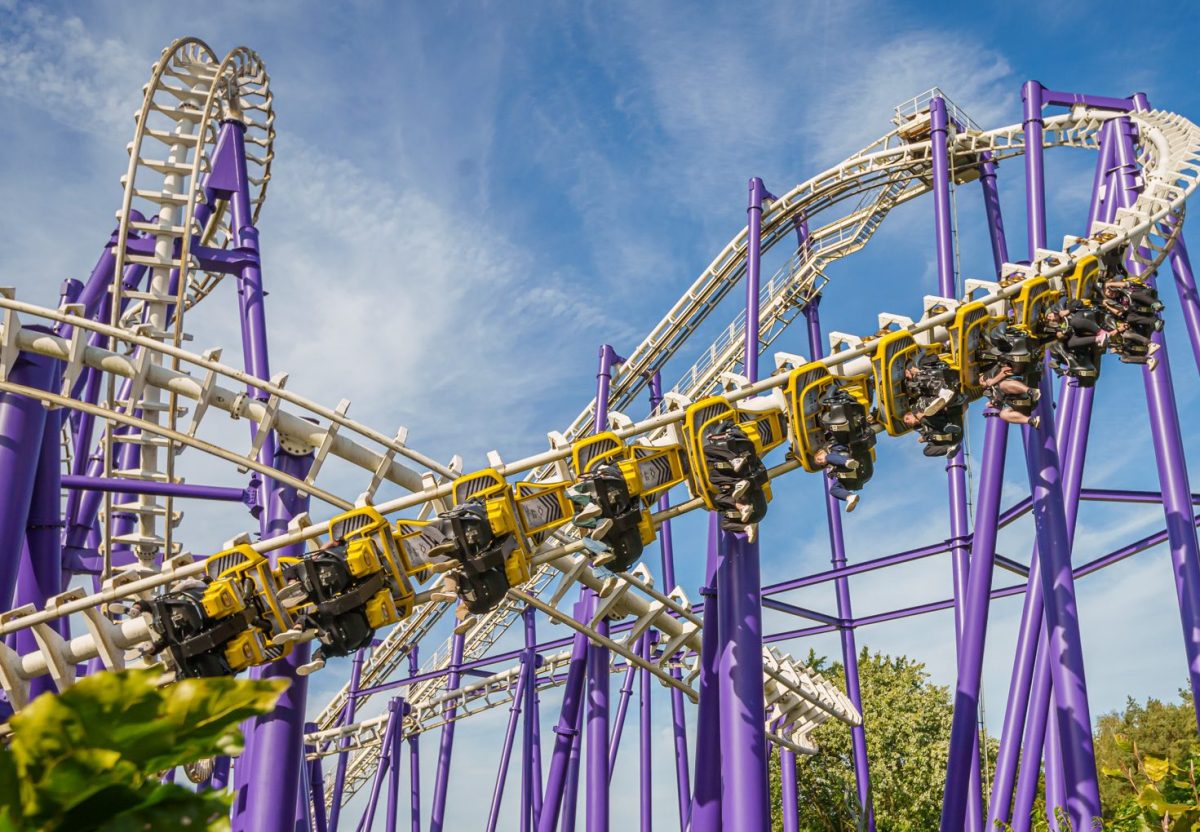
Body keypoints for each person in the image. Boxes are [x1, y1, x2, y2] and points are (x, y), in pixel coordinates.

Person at [814, 444, 861, 512]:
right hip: (850, 477)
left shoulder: (831, 451)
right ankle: (850, 497)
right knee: (833, 490)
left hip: (851, 464)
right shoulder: (833, 464)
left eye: (819, 459)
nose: (820, 462)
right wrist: (834, 472)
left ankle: (847, 462)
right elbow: (836, 468)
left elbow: (843, 445)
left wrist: (832, 446)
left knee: (829, 457)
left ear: (822, 452)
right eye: (820, 463)